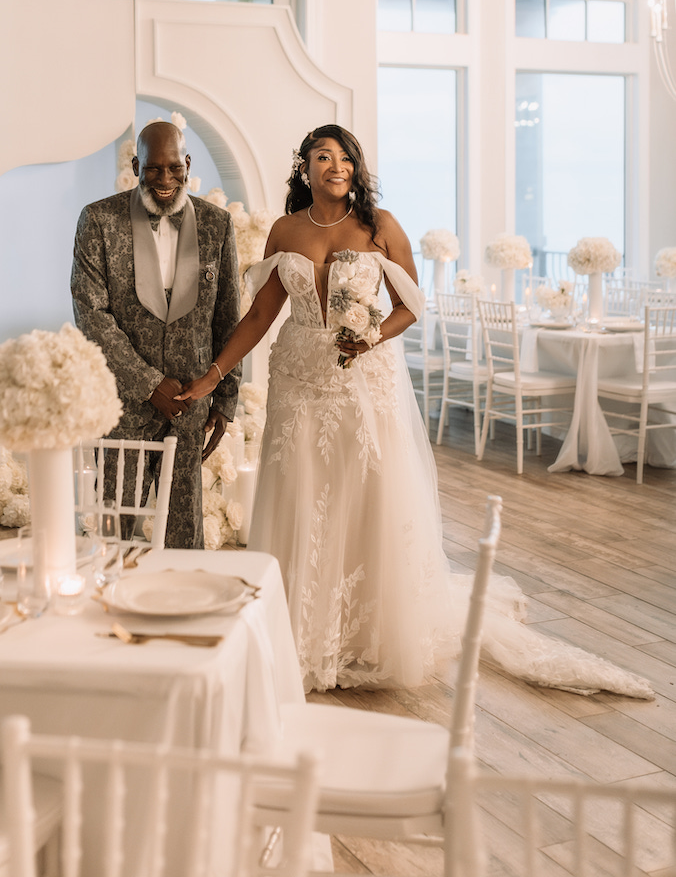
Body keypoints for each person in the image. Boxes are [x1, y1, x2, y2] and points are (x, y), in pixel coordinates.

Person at [176, 124, 652, 699]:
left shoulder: (380, 228)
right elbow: (258, 317)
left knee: (368, 492)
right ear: (304, 168)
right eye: (322, 157)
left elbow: (411, 305)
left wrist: (371, 337)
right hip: (298, 380)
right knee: (301, 491)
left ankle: (367, 634)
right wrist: (212, 375)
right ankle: (299, 630)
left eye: (345, 158)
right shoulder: (286, 229)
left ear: (356, 168)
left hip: (363, 381)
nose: (336, 166)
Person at [71, 120, 241, 548]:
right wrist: (148, 385)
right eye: (153, 168)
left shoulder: (217, 225)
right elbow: (91, 314)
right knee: (115, 530)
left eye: (173, 167)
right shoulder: (98, 220)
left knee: (184, 534)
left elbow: (227, 317)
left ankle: (184, 612)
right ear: (136, 166)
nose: (164, 179)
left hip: (191, 402)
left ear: (187, 164)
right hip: (122, 404)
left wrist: (225, 398)